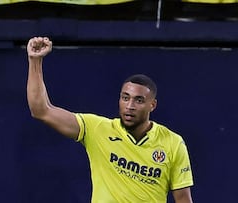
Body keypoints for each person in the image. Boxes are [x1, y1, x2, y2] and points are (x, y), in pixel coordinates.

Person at [26, 36, 194, 203]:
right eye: (125, 98)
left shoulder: (173, 143)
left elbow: (183, 200)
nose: (130, 106)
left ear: (152, 105)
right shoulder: (97, 129)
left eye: (139, 100)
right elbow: (41, 110)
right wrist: (35, 61)